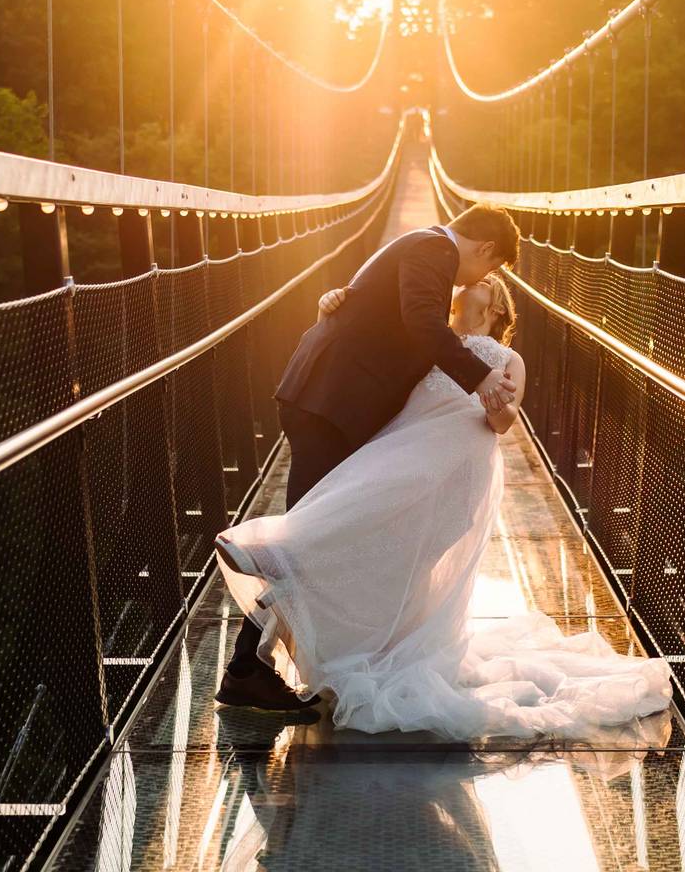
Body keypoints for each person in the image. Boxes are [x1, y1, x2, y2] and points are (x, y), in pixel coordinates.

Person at [215, 271, 672, 741]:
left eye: (483, 280)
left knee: (393, 566)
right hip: (397, 462)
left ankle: (277, 607)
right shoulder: (430, 341)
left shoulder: (507, 357)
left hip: (453, 477)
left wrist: (494, 393)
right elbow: (359, 364)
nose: (465, 278)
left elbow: (503, 422)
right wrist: (329, 314)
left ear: (496, 308)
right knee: (353, 546)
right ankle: (281, 613)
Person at [214, 203, 523, 712]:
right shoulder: (433, 248)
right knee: (311, 535)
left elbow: (391, 326)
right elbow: (422, 323)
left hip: (331, 402)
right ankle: (249, 648)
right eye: (489, 270)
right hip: (330, 403)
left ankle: (262, 658)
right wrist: (482, 375)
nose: (479, 280)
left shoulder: (424, 251)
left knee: (324, 531)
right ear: (485, 248)